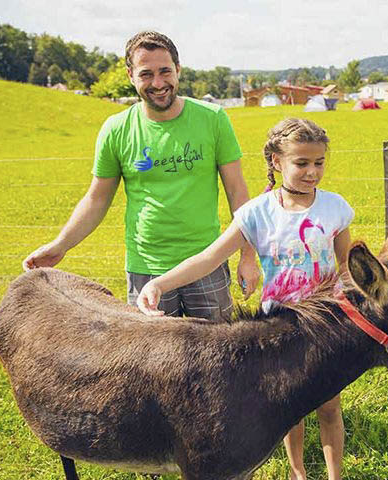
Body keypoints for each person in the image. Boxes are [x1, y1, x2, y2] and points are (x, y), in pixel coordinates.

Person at [136, 118, 352, 480]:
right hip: (279, 329)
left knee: (330, 406)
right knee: (290, 410)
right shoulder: (257, 213)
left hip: (325, 326)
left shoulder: (335, 208)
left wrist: (353, 297)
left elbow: (347, 264)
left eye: (319, 163)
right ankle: (298, 473)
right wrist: (159, 283)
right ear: (276, 161)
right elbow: (209, 258)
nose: (312, 172)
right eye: (302, 163)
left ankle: (335, 476)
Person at [22, 31, 259, 320]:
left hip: (207, 263)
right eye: (146, 74)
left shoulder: (213, 119)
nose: (158, 84)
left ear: (178, 70)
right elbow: (96, 199)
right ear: (131, 75)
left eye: (165, 71)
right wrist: (60, 245)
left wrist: (248, 255)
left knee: (218, 359)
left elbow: (238, 193)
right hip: (144, 268)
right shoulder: (117, 129)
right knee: (151, 363)